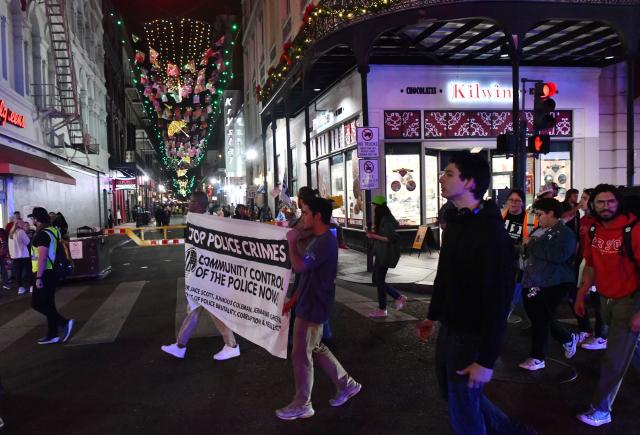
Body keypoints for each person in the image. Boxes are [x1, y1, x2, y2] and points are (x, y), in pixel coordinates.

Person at [416, 153, 528, 434]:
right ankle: (510, 430)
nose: (441, 179)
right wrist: (432, 315)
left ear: (470, 182)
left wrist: (486, 360)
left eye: (449, 174)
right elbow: (445, 274)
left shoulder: (490, 235)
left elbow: (498, 301)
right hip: (451, 326)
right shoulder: (455, 222)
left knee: (463, 405)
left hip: (472, 334)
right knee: (454, 393)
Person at [276, 196, 361, 421]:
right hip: (308, 301)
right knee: (314, 347)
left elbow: (300, 266)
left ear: (317, 216)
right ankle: (347, 384)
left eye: (305, 213)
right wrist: (293, 300)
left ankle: (302, 403)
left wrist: (292, 241)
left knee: (300, 354)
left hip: (314, 305)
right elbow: (306, 275)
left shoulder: (325, 241)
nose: (301, 217)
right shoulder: (318, 237)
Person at [574, 184, 640, 427]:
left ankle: (602, 410)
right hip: (605, 298)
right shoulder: (593, 228)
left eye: (610, 201)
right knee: (628, 349)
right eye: (600, 202)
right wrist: (582, 293)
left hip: (629, 301)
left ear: (618, 202)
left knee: (613, 357)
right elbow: (590, 264)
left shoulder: (634, 229)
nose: (605, 206)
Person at [161, 192, 240, 361]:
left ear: (197, 204)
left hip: (209, 276)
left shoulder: (208, 223)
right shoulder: (195, 221)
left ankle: (232, 345)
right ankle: (180, 345)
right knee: (195, 309)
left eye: (190, 201)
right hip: (199, 274)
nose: (188, 204)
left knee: (212, 309)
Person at [518, 198, 578, 371]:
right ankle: (566, 338)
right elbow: (528, 249)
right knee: (539, 317)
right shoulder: (542, 230)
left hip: (554, 282)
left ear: (551, 213)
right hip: (533, 280)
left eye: (540, 214)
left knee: (541, 318)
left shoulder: (564, 233)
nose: (537, 218)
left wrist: (532, 244)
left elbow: (559, 255)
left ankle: (538, 357)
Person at [28, 207, 74, 345]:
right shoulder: (53, 230)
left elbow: (42, 257)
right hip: (53, 271)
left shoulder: (42, 234)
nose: (32, 221)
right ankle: (52, 334)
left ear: (36, 220)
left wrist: (38, 278)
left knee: (37, 303)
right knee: (49, 304)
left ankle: (64, 322)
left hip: (44, 272)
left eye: (32, 218)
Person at [367, 195, 406, 317]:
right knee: (377, 279)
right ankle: (387, 304)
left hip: (385, 254)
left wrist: (373, 236)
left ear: (378, 207)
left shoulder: (386, 219)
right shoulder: (384, 219)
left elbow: (391, 238)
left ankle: (390, 302)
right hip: (381, 253)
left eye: (374, 205)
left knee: (379, 280)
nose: (373, 208)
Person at [9, 219, 32, 295]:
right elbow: (28, 242)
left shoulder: (11, 233)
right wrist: (28, 236)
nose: (23, 224)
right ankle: (31, 286)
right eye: (21, 222)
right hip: (23, 255)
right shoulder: (21, 232)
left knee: (18, 272)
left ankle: (20, 288)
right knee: (28, 271)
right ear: (18, 224)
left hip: (15, 256)